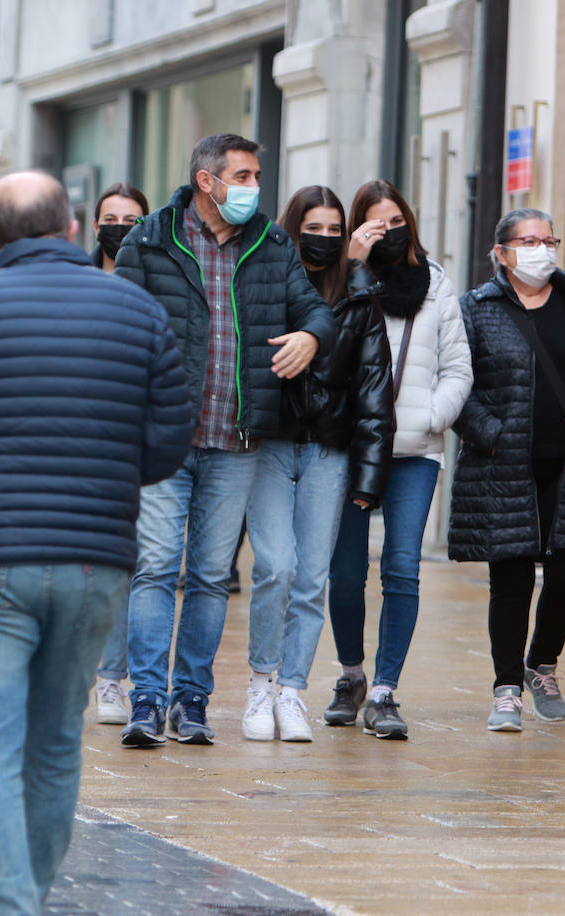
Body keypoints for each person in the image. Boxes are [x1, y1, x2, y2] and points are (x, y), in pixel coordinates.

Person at [0, 171, 190, 915]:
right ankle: (26, 900)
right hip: (94, 559)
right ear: (74, 231)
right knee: (54, 745)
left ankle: (8, 906)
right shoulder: (139, 313)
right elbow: (169, 443)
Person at [113, 133, 335, 748]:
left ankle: (191, 701)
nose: (253, 187)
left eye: (256, 175)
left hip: (236, 441)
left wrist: (312, 338)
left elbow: (314, 310)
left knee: (211, 576)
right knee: (156, 568)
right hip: (163, 438)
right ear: (207, 182)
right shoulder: (151, 238)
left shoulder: (272, 243)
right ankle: (146, 701)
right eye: (242, 176)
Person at [450, 207, 565, 732]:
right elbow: (455, 379)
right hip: (502, 467)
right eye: (527, 241)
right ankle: (506, 688)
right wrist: (489, 431)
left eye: (548, 239)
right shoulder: (475, 309)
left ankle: (542, 664)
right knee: (510, 577)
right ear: (501, 253)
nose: (541, 250)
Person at [242, 185, 394, 742]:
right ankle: (261, 681)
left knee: (310, 579)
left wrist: (370, 476)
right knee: (274, 567)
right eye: (315, 228)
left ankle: (292, 691)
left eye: (336, 230)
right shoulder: (267, 279)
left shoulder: (359, 295)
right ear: (292, 227)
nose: (325, 239)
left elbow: (376, 388)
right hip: (269, 446)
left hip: (331, 451)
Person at [324, 179, 471, 740]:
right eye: (374, 224)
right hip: (353, 447)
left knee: (402, 567)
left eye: (395, 221)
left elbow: (458, 366)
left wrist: (433, 415)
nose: (387, 232)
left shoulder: (435, 284)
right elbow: (327, 345)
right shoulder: (340, 283)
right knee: (344, 571)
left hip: (415, 450)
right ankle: (351, 674)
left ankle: (384, 690)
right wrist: (352, 266)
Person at [89, 181, 150, 727]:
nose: (121, 229)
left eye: (133, 220)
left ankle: (111, 678)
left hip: (135, 441)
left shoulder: (157, 283)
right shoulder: (77, 284)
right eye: (112, 219)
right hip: (81, 443)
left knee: (124, 563)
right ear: (95, 226)